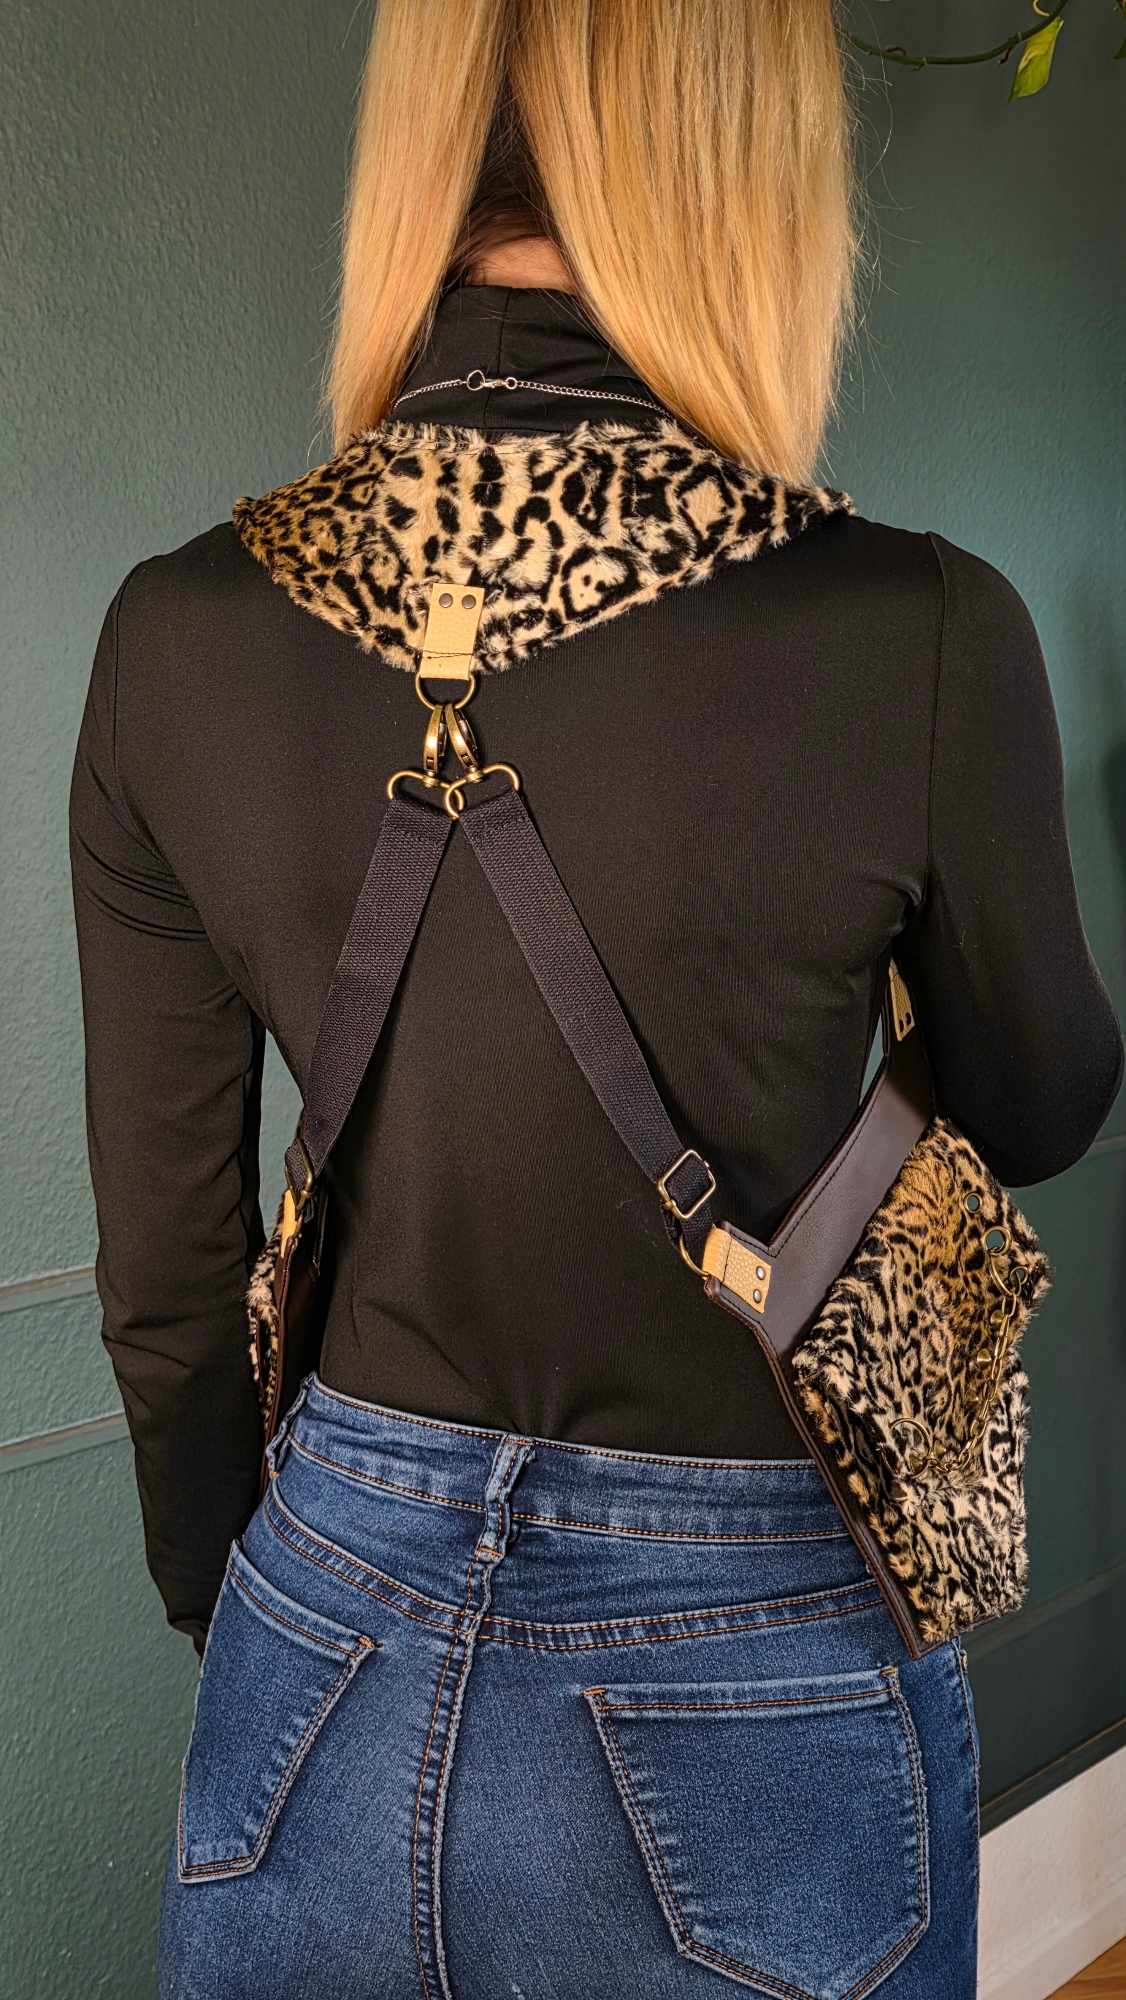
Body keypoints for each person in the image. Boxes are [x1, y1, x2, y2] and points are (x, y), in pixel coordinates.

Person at [68, 4, 1123, 1996]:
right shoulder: (910, 624)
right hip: (751, 1649)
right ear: (752, 169)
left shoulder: (171, 632)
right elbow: (1042, 1096)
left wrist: (259, 1604)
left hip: (314, 1626)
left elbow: (168, 1280)